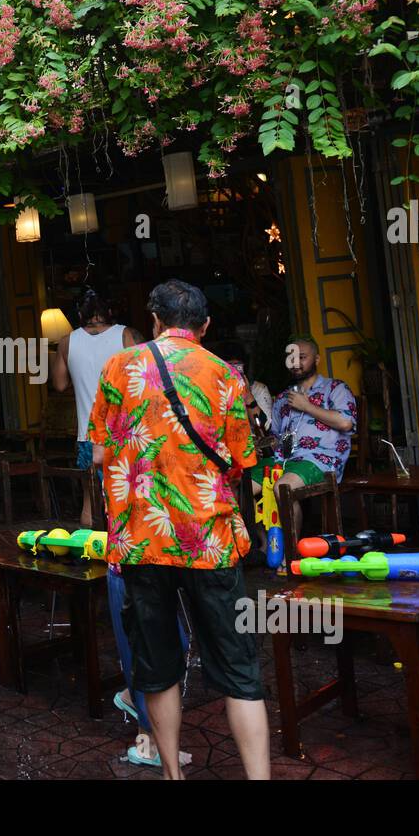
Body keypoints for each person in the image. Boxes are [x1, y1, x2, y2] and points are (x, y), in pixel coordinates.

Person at [89, 279, 269, 780]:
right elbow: (241, 461)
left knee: (157, 666)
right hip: (209, 541)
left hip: (142, 542)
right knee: (238, 670)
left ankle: (172, 775)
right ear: (205, 326)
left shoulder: (117, 367)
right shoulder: (226, 376)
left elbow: (99, 451)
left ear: (154, 320)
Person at [50, 289, 143, 527]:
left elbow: (59, 384)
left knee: (89, 501)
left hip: (87, 435)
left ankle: (91, 555)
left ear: (80, 313)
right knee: (130, 496)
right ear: (110, 311)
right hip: (126, 434)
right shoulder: (126, 336)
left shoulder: (67, 342)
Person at [252, 336, 357, 533]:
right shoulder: (283, 398)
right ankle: (265, 546)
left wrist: (307, 406)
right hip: (284, 459)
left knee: (283, 488)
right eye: (291, 358)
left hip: (321, 460)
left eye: (302, 357)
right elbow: (277, 437)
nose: (296, 363)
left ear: (316, 360)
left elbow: (345, 422)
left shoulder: (335, 388)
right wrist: (263, 443)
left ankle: (291, 556)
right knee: (239, 488)